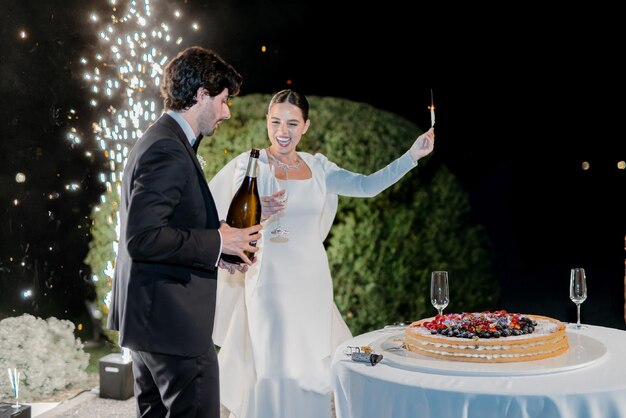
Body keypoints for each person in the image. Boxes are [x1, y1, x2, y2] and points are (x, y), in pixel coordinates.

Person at [209, 89, 435, 418]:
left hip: (313, 282)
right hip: (268, 281)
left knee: (308, 369)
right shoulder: (251, 163)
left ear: (306, 126)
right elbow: (228, 218)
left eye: (291, 123)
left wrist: (411, 156)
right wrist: (259, 211)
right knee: (272, 364)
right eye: (275, 122)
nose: (282, 131)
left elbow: (366, 186)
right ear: (267, 123)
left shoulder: (318, 168)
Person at [107, 46, 263, 418]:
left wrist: (218, 252)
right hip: (173, 329)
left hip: (150, 322)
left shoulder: (162, 139)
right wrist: (218, 241)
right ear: (201, 95)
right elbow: (142, 238)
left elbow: (170, 226)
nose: (227, 112)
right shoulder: (167, 149)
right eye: (224, 101)